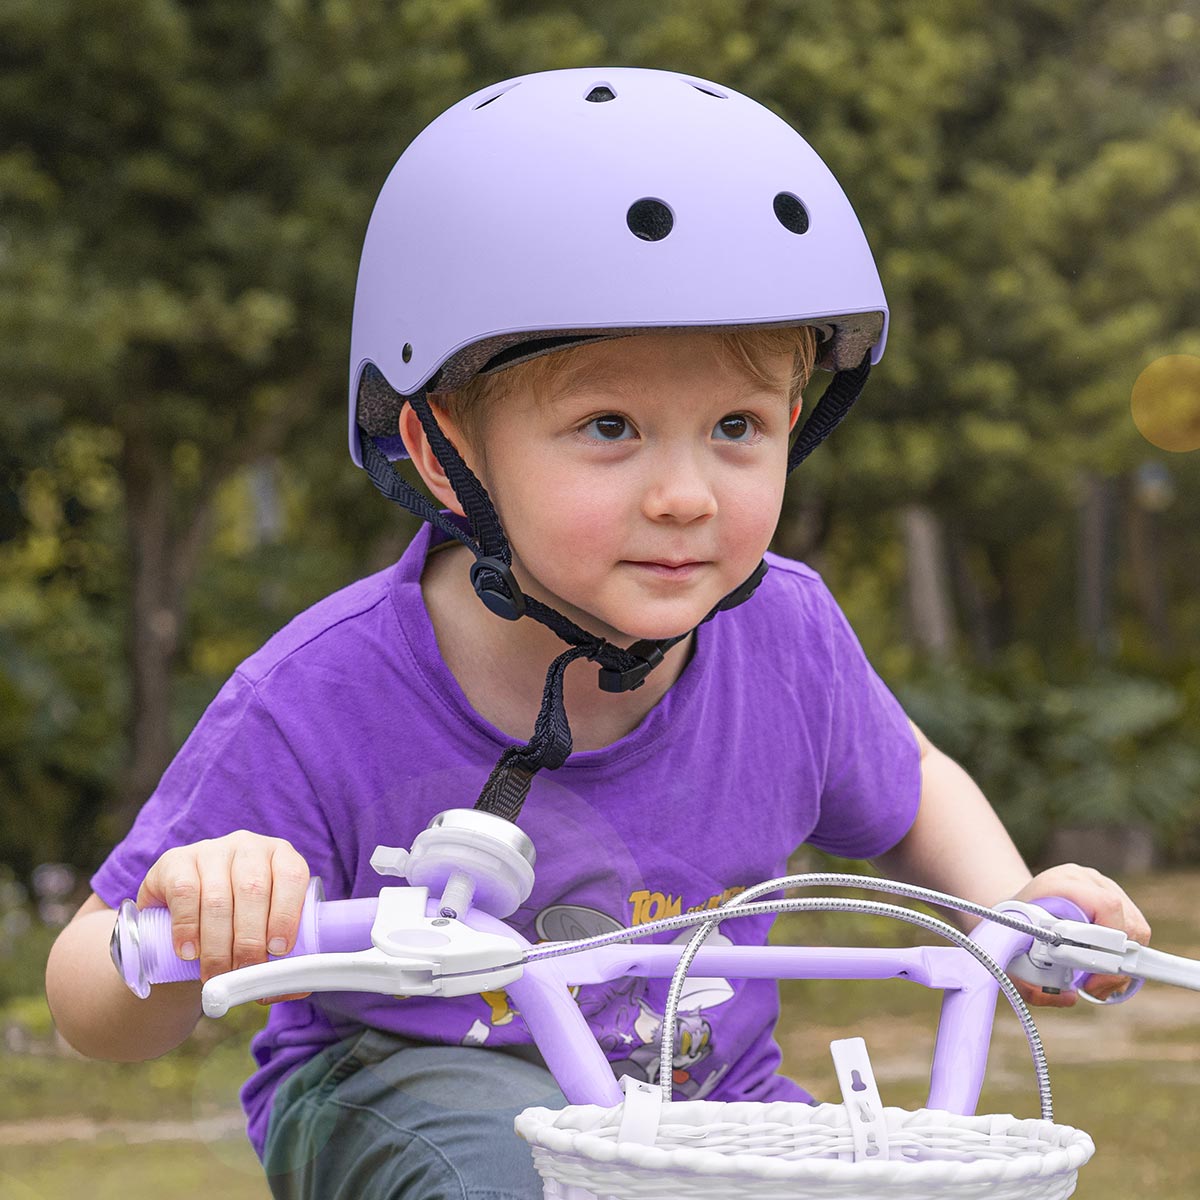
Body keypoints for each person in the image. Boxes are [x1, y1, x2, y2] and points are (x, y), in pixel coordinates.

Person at [45, 67, 1150, 1200]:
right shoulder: (322, 694)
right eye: (609, 427)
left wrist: (1014, 904)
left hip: (709, 1114)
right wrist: (197, 911)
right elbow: (89, 998)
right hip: (416, 1089)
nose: (686, 494)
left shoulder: (785, 634)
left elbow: (909, 783)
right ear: (442, 455)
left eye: (736, 427)